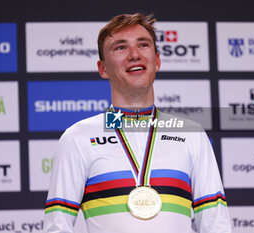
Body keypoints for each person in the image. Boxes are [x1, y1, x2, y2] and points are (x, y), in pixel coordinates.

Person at [44, 13, 231, 233]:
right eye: (120, 47)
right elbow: (57, 227)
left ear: (157, 61)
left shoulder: (191, 134)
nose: (134, 55)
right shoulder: (78, 138)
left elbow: (216, 225)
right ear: (103, 68)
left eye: (143, 45)